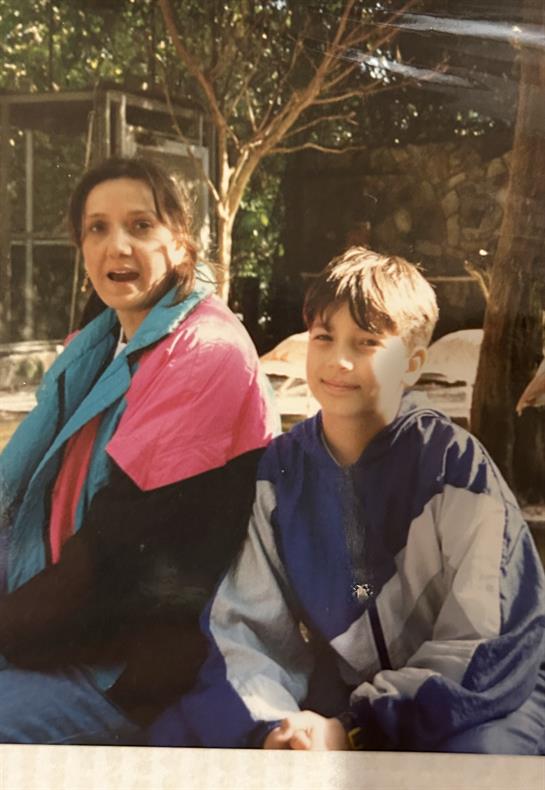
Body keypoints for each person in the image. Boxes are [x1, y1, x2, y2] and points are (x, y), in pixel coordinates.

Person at [149, 246, 545, 754]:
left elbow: (488, 638)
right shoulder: (280, 473)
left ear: (414, 364)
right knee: (183, 735)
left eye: (367, 343)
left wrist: (358, 725)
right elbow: (244, 624)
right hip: (344, 691)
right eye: (324, 337)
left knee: (479, 763)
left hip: (477, 698)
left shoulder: (454, 466)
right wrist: (276, 724)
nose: (339, 360)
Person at [0, 156, 277, 745]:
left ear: (181, 241)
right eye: (97, 228)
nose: (116, 245)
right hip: (66, 632)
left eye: (141, 225)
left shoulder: (205, 354)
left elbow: (113, 563)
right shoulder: (103, 342)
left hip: (134, 666)